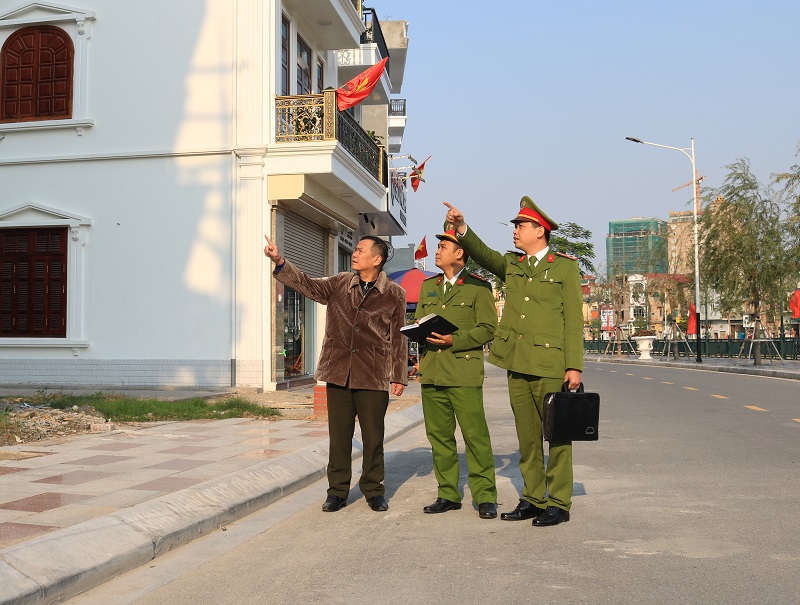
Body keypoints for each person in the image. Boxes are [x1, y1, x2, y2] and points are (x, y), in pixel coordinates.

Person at [443, 196, 583, 527]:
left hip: (551, 364)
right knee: (527, 438)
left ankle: (559, 503)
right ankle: (533, 498)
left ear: (540, 230)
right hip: (518, 364)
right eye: (515, 226)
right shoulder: (513, 264)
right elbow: (484, 254)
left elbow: (573, 322)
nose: (515, 231)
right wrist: (462, 227)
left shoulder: (565, 267)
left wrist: (573, 366)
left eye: (520, 226)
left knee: (557, 436)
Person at [263, 234, 407, 513]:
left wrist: (398, 374)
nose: (354, 253)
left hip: (373, 374)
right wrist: (280, 262)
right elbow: (307, 285)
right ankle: (337, 492)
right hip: (338, 371)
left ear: (376, 259)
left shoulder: (394, 294)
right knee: (339, 436)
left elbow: (399, 337)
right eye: (354, 249)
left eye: (361, 250)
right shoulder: (340, 283)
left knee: (373, 437)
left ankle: (374, 490)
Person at [415, 227, 499, 519]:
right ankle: (447, 493)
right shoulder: (429, 286)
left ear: (460, 253)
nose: (437, 251)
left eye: (444, 246)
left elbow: (489, 328)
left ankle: (486, 496)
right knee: (439, 438)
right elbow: (419, 322)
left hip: (463, 373)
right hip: (433, 372)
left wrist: (455, 339)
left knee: (475, 437)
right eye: (438, 247)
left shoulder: (479, 287)